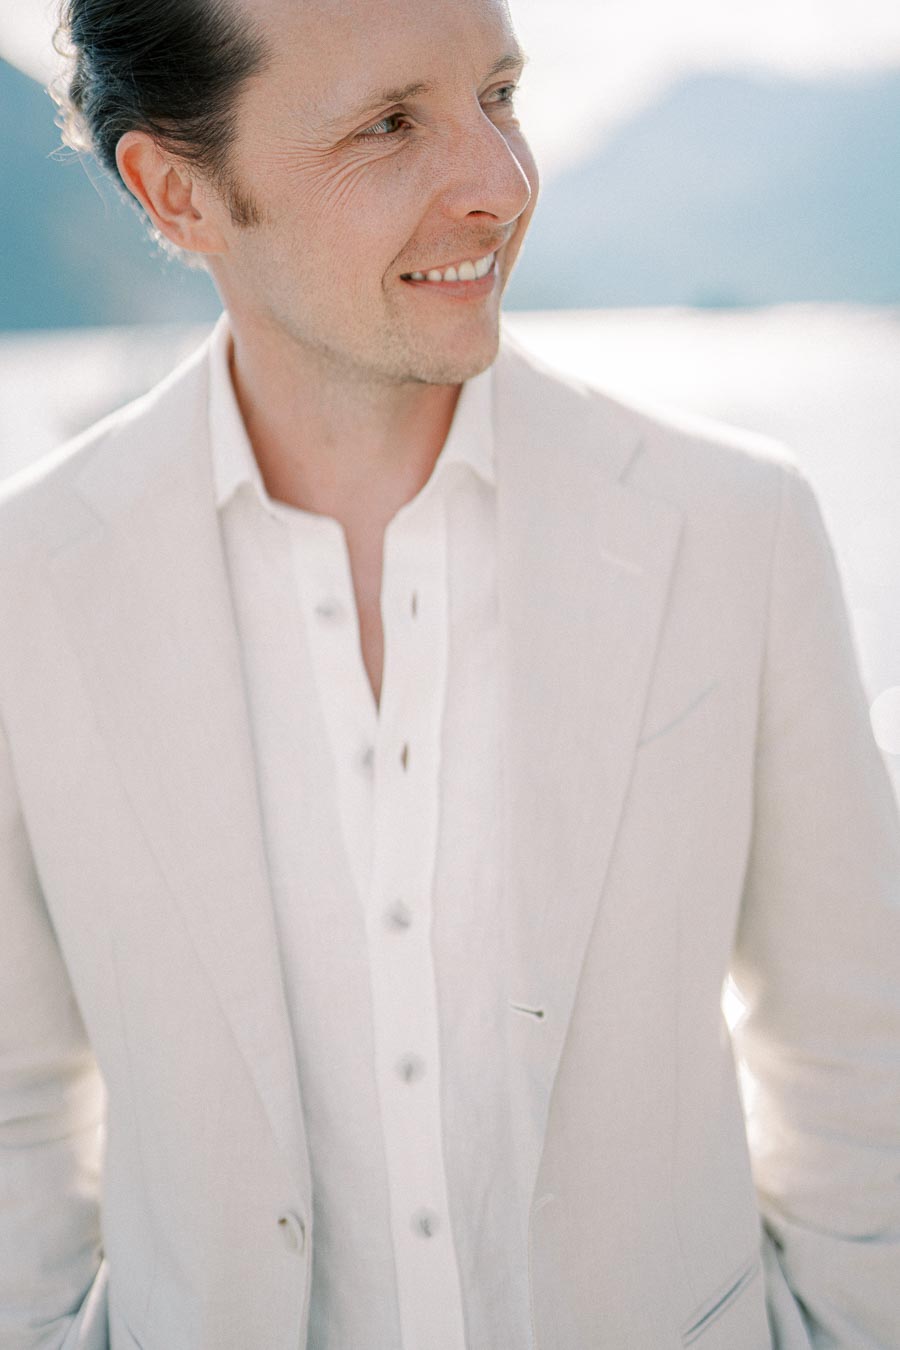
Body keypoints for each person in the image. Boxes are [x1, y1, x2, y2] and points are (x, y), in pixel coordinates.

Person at [1, 0, 899, 1344]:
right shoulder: (29, 586)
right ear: (179, 193)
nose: (502, 182)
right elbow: (15, 1112)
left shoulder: (735, 528)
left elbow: (859, 1064)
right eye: (388, 125)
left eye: (501, 93)